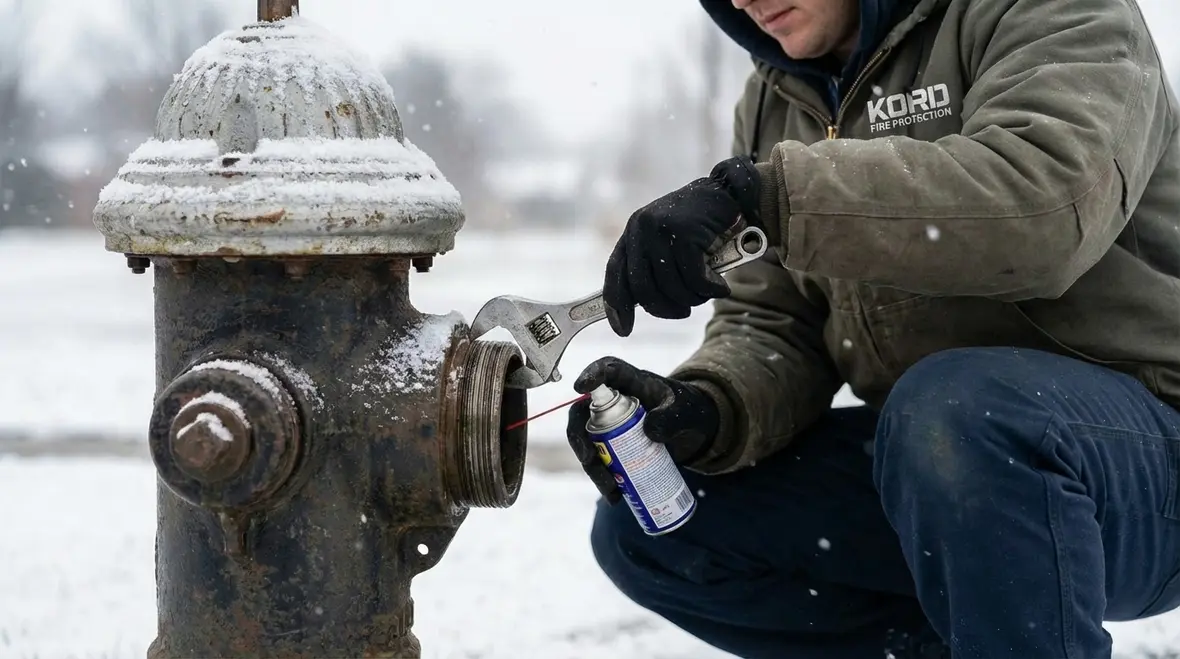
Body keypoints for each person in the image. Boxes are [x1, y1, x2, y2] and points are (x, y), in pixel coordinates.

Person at [564, 0, 1180, 657]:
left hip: (1141, 459)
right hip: (939, 472)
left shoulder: (1054, 10)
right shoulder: (775, 97)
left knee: (955, 412)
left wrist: (772, 200)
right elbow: (774, 319)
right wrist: (708, 408)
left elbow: (1044, 204)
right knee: (660, 521)